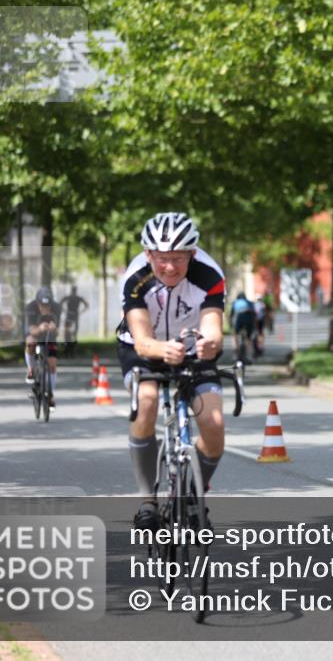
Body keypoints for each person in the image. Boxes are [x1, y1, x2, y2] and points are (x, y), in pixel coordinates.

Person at [116, 212, 226, 532]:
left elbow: (213, 327)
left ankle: (193, 494)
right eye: (162, 259)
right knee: (147, 400)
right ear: (149, 255)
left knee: (214, 423)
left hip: (192, 349)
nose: (169, 267)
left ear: (192, 254)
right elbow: (141, 339)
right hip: (144, 351)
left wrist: (210, 345)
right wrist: (160, 349)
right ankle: (148, 501)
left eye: (178, 258)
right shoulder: (135, 277)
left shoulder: (209, 274)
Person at [25, 286, 61, 407]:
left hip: (49, 335)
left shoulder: (57, 308)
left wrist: (54, 328)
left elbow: (57, 332)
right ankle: (31, 369)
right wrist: (40, 328)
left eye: (48, 306)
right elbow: (31, 330)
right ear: (37, 303)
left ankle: (50, 394)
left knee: (52, 364)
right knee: (30, 342)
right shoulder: (30, 308)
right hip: (34, 332)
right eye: (42, 306)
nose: (45, 309)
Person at [60, 285, 89, 352]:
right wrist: (64, 310)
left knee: (73, 333)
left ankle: (71, 348)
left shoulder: (73, 298)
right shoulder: (73, 298)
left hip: (72, 315)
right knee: (69, 332)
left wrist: (81, 311)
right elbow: (61, 302)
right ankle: (68, 347)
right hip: (71, 315)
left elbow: (86, 305)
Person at [230, 291, 256, 362]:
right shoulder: (249, 302)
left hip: (239, 318)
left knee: (234, 335)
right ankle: (250, 356)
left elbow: (231, 315)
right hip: (249, 318)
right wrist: (254, 325)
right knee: (249, 338)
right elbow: (254, 314)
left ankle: (235, 355)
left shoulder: (235, 302)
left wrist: (231, 325)